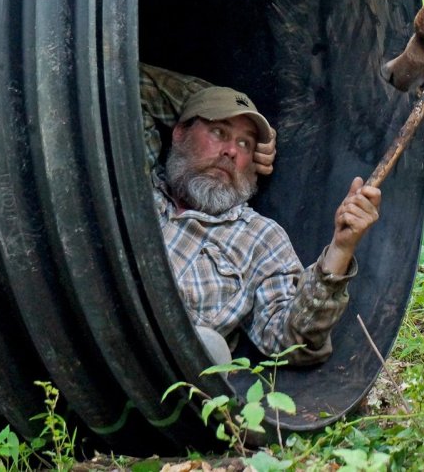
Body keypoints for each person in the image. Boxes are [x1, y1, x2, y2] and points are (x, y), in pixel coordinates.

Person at [139, 63, 381, 366]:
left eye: (245, 143)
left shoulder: (258, 237)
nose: (231, 151)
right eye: (218, 131)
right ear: (179, 133)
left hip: (158, 366)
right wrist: (205, 100)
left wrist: (341, 249)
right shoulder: (136, 177)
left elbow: (293, 341)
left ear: (253, 160)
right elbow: (126, 79)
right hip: (87, 315)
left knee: (208, 348)